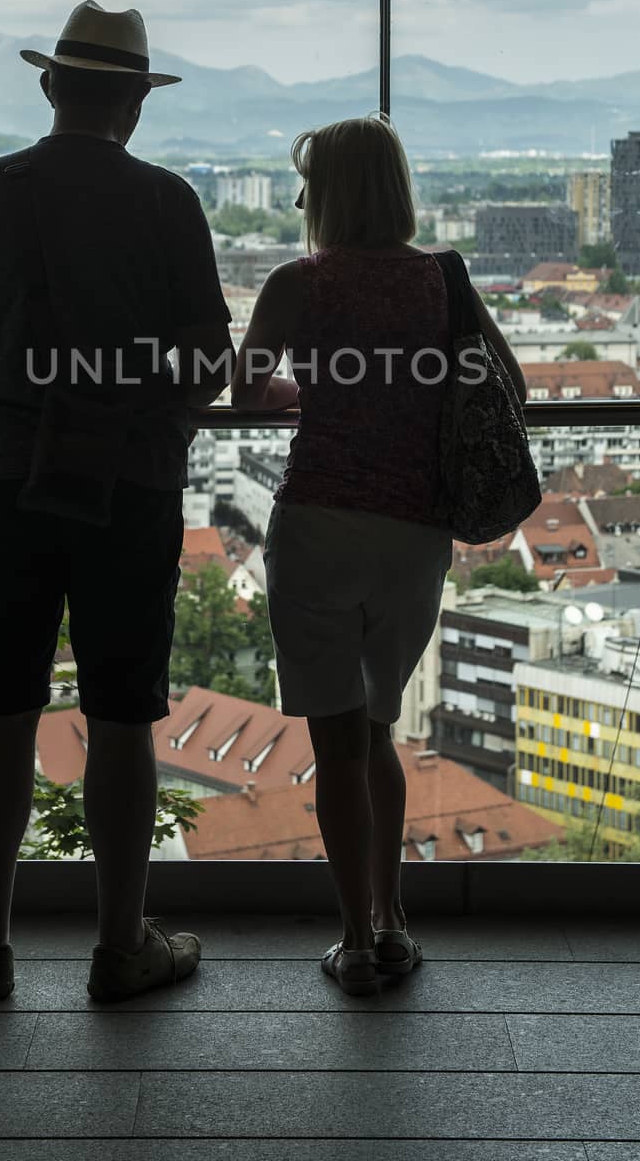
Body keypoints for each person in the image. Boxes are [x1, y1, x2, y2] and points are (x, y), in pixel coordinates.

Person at [0, 0, 234, 1004]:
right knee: (125, 717)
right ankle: (120, 943)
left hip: (5, 479)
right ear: (135, 100)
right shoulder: (170, 203)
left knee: (2, 711)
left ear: (51, 85)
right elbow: (207, 364)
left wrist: (22, 402)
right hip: (129, 483)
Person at [231, 114, 525, 996]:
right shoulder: (444, 279)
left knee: (335, 748)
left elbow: (246, 393)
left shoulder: (296, 282)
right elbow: (504, 383)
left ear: (328, 194)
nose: (296, 199)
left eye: (305, 184)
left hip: (318, 523)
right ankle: (396, 920)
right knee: (378, 731)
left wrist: (308, 393)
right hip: (412, 535)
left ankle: (354, 938)